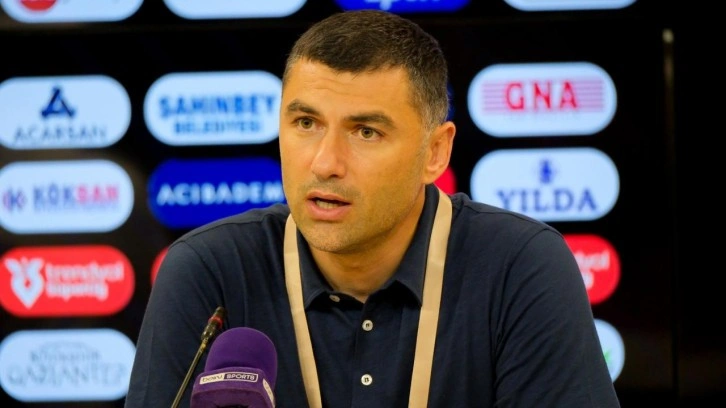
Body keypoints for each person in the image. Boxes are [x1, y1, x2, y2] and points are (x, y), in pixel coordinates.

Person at [124, 9, 620, 408]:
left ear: (435, 152)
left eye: (366, 132)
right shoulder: (208, 271)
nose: (325, 163)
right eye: (305, 123)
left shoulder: (521, 266)